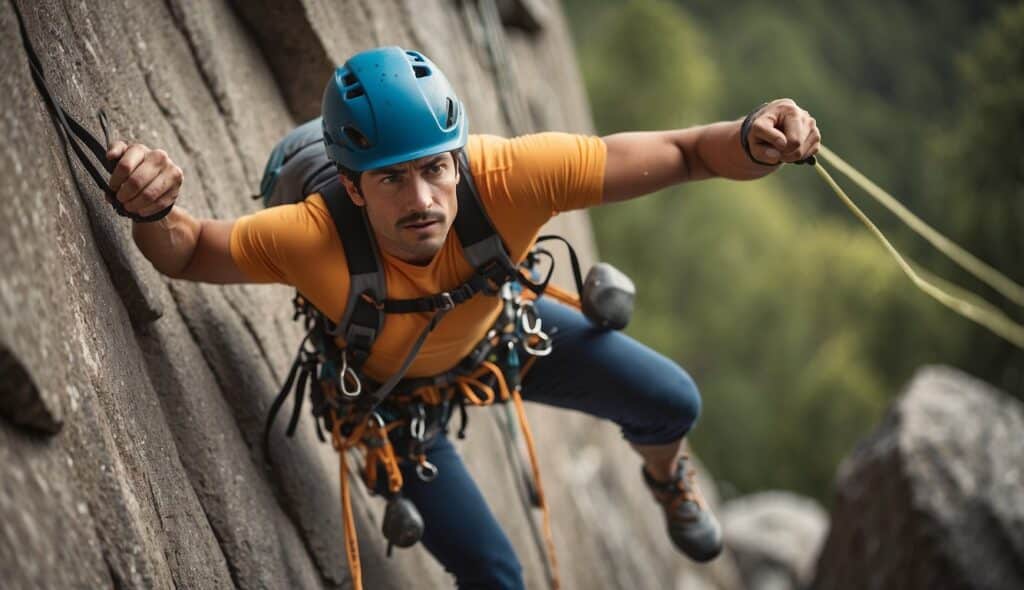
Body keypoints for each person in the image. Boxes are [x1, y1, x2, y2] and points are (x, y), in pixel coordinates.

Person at [111, 46, 819, 589]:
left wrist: (753, 135)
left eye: (435, 168)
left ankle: (668, 482)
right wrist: (150, 207)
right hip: (390, 408)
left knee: (672, 401)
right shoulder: (308, 235)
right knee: (496, 579)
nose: (422, 198)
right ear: (353, 188)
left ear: (457, 158)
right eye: (391, 178)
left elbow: (688, 153)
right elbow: (188, 249)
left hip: (501, 336)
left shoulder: (511, 177)